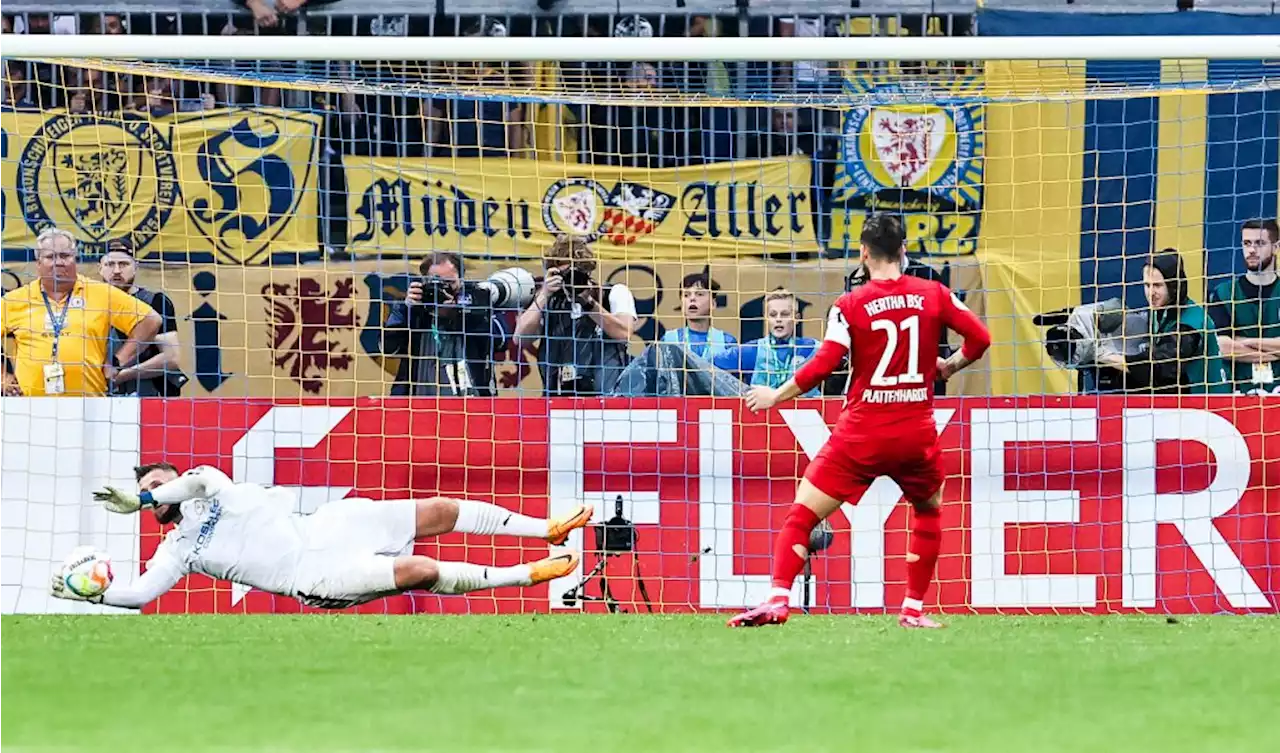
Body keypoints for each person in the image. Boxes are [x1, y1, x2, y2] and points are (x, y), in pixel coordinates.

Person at [726, 213, 991, 630]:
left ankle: (778, 599)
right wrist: (950, 367)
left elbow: (825, 363)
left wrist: (775, 395)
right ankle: (913, 610)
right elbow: (982, 339)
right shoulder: (935, 294)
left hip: (861, 433)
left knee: (801, 516)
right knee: (927, 511)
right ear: (903, 250)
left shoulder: (849, 305)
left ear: (863, 252)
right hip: (915, 432)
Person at [50, 462, 594, 610]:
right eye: (150, 490)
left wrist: (143, 496)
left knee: (441, 508)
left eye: (159, 483)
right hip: (310, 575)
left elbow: (192, 482)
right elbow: (142, 594)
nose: (159, 491)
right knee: (420, 571)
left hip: (326, 525)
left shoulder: (208, 484)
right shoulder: (179, 551)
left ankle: (543, 529)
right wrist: (92, 592)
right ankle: (523, 576)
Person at [0, 229, 162, 397]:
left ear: (75, 259)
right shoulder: (16, 299)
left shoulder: (100, 293)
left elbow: (151, 320)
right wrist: (3, 377)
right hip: (29, 407)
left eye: (65, 256)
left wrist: (118, 361)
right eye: (50, 257)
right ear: (38, 263)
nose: (59, 262)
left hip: (89, 405)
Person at [514, 235, 637, 396]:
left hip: (606, 399)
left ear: (587, 271)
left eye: (576, 273)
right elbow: (520, 339)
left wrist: (588, 302)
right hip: (557, 398)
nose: (570, 280)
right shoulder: (549, 302)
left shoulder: (613, 293)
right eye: (565, 274)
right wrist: (544, 294)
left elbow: (624, 333)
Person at [1097, 250, 1230, 394]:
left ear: (1173, 286)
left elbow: (1159, 369)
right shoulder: (1159, 313)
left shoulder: (1191, 324)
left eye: (1157, 286)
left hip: (1208, 404)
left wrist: (1102, 355)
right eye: (1147, 285)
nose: (1151, 293)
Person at [381, 251, 509, 396]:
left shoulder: (478, 300)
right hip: (420, 402)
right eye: (436, 283)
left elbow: (502, 340)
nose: (443, 289)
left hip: (473, 403)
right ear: (424, 282)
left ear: (461, 279)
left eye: (450, 283)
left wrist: (457, 315)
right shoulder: (414, 307)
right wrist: (407, 310)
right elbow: (388, 349)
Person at [99, 239, 186, 396]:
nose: (117, 271)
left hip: (148, 395)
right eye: (110, 264)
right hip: (98, 395)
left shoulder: (155, 302)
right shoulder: (88, 303)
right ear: (100, 268)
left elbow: (171, 358)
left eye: (123, 264)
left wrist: (122, 375)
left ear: (135, 267)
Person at [1207, 219, 1280, 394]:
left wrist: (1243, 341)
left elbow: (1230, 344)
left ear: (1276, 247)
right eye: (1247, 243)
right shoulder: (1224, 293)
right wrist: (1272, 352)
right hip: (1237, 392)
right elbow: (1221, 346)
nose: (1252, 250)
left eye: (1260, 243)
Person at [713, 288, 819, 395]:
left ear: (797, 318)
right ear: (766, 318)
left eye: (784, 314)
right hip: (762, 410)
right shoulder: (752, 350)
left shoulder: (812, 349)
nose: (778, 319)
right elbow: (706, 365)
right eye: (773, 315)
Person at [659, 271, 737, 360]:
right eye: (686, 295)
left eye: (699, 294)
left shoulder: (726, 341)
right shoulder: (669, 339)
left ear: (713, 304)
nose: (692, 299)